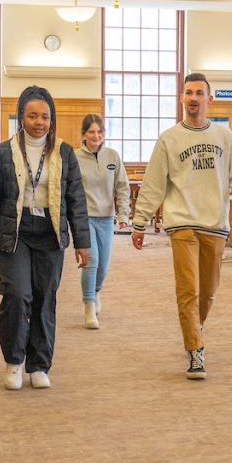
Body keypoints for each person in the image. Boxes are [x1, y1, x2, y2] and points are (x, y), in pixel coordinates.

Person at [131, 72, 232, 380]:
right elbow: (153, 183)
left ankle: (196, 326)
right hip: (182, 225)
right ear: (182, 98)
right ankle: (195, 350)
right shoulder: (169, 138)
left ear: (209, 98)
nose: (193, 98)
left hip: (214, 224)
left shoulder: (224, 137)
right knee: (189, 290)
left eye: (199, 93)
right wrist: (140, 222)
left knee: (207, 292)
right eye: (188, 92)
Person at [0, 85, 90, 391]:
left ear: (52, 119)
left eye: (45, 117)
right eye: (33, 115)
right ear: (21, 116)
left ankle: (39, 365)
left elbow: (76, 199)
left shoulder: (63, 152)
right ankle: (14, 361)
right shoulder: (2, 152)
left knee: (45, 298)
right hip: (14, 234)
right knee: (18, 294)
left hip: (49, 234)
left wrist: (83, 242)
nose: (39, 122)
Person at [74, 114, 131, 329]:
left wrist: (123, 215)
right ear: (84, 135)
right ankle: (88, 305)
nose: (96, 136)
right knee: (91, 262)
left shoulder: (113, 157)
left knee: (104, 267)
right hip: (84, 217)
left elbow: (122, 188)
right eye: (91, 132)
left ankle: (95, 292)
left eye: (100, 132)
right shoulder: (75, 157)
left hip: (106, 217)